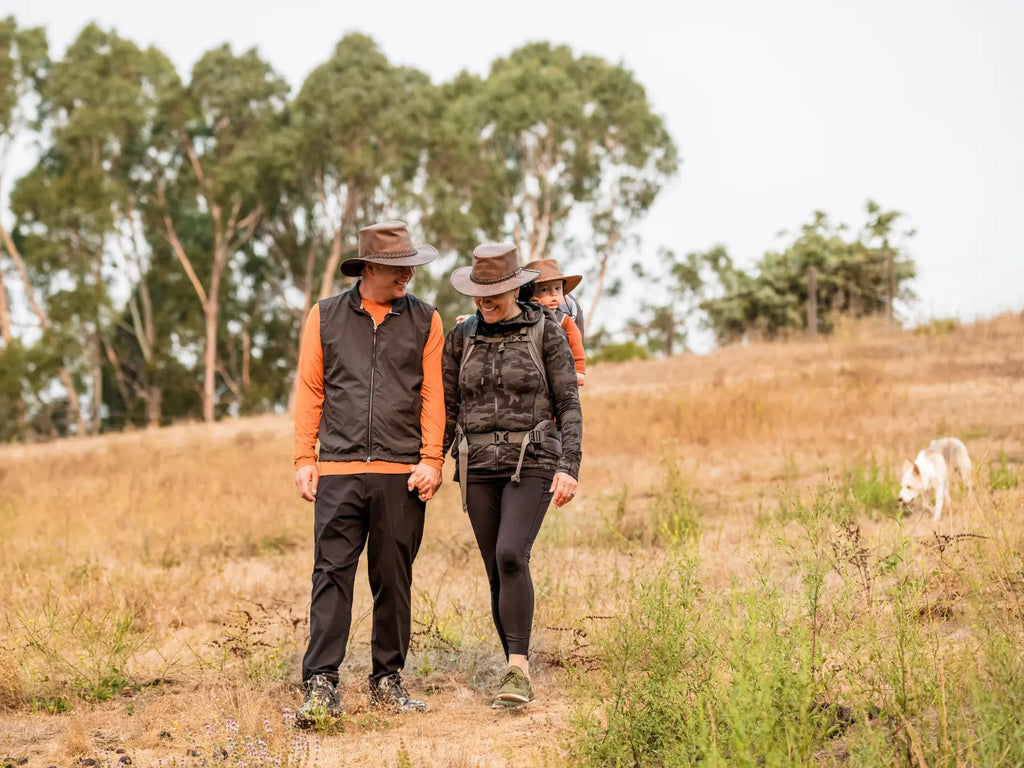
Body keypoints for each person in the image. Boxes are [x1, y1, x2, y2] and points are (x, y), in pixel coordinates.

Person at [293, 220, 444, 724]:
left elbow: (432, 397)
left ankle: (387, 681)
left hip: (402, 472)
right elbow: (311, 391)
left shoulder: (427, 320)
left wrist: (432, 459)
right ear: (372, 267)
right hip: (337, 469)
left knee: (393, 579)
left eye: (412, 268)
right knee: (331, 575)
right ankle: (320, 684)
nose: (408, 276)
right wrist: (304, 458)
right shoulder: (325, 316)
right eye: (400, 268)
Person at [442, 243, 583, 709]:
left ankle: (519, 668)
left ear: (514, 289)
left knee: (509, 553)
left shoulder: (546, 330)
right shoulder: (461, 338)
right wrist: (430, 460)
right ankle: (511, 667)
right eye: (479, 292)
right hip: (477, 465)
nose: (485, 300)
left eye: (495, 292)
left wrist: (569, 466)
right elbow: (446, 407)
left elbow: (568, 402)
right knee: (495, 569)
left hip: (535, 459)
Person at [521, 258, 587, 388]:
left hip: (556, 370)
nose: (553, 294)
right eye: (545, 290)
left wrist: (578, 370)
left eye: (558, 288)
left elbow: (576, 342)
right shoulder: (522, 316)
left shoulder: (563, 319)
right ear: (531, 295)